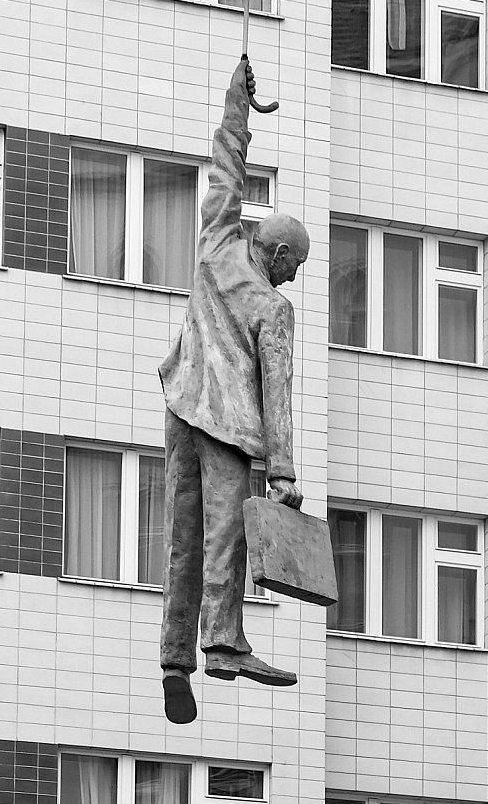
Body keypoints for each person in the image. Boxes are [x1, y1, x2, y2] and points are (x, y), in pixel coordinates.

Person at [158, 59, 309, 725]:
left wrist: (236, 104)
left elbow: (226, 167)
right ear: (277, 255)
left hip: (180, 404)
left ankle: (173, 659)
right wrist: (283, 472)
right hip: (227, 428)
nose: (294, 277)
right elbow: (278, 391)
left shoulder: (217, 242)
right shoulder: (274, 308)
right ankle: (222, 645)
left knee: (182, 538)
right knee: (225, 536)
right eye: (295, 265)